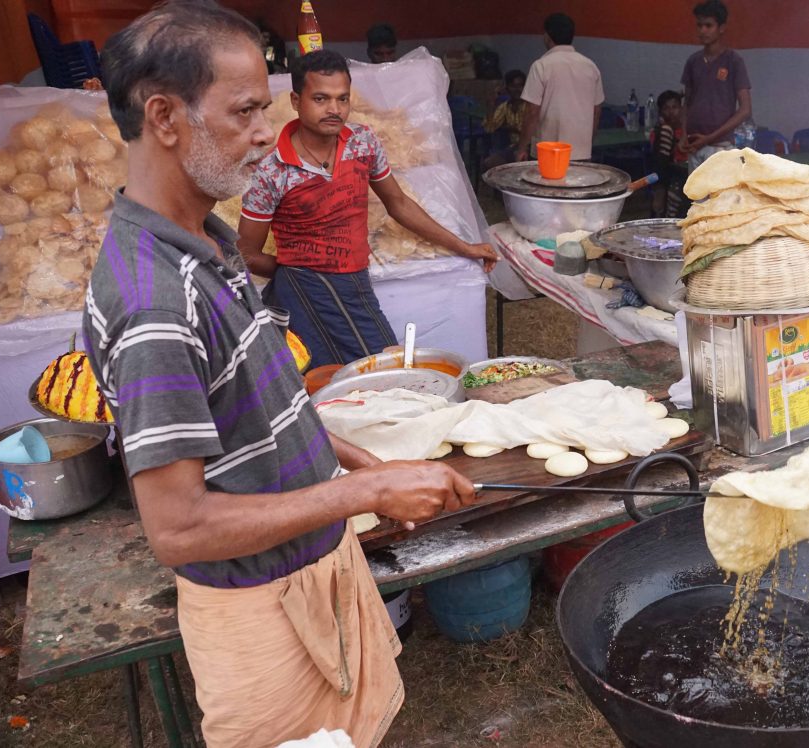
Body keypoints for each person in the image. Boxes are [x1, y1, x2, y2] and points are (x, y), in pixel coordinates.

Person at [83, 3, 476, 746]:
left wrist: (364, 462)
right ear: (165, 116)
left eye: (266, 108)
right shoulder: (153, 300)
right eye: (246, 111)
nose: (268, 132)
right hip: (258, 611)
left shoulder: (210, 238)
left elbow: (267, 400)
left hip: (312, 575)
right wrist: (361, 491)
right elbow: (178, 526)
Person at [237, 50, 497, 368]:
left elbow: (398, 204)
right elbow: (246, 253)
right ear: (295, 101)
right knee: (350, 377)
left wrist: (464, 247)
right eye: (321, 99)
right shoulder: (272, 169)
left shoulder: (363, 143)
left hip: (354, 282)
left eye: (342, 99)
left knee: (375, 372)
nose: (334, 109)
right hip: (304, 287)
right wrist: (296, 273)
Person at [514, 13, 604, 162]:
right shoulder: (590, 66)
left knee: (548, 185)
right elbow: (597, 111)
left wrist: (522, 148)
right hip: (581, 152)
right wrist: (586, 143)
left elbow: (532, 112)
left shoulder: (541, 66)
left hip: (548, 152)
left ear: (547, 36)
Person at [680, 0, 752, 171]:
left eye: (708, 25)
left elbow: (745, 110)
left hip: (721, 147)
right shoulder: (693, 61)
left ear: (721, 28)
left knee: (719, 197)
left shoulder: (733, 61)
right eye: (699, 25)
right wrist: (683, 135)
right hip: (693, 146)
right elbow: (686, 104)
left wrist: (709, 138)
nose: (703, 30)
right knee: (696, 197)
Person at [650, 90, 689, 218]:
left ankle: (660, 197)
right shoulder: (660, 132)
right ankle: (660, 192)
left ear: (681, 109)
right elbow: (660, 159)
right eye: (666, 108)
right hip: (669, 173)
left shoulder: (688, 130)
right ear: (661, 112)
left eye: (675, 107)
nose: (671, 112)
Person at [481, 69, 526, 170]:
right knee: (488, 164)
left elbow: (526, 131)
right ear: (507, 88)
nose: (517, 89)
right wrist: (491, 104)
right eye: (513, 86)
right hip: (512, 147)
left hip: (529, 147)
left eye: (520, 86)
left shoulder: (530, 107)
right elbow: (489, 128)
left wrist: (510, 128)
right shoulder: (505, 107)